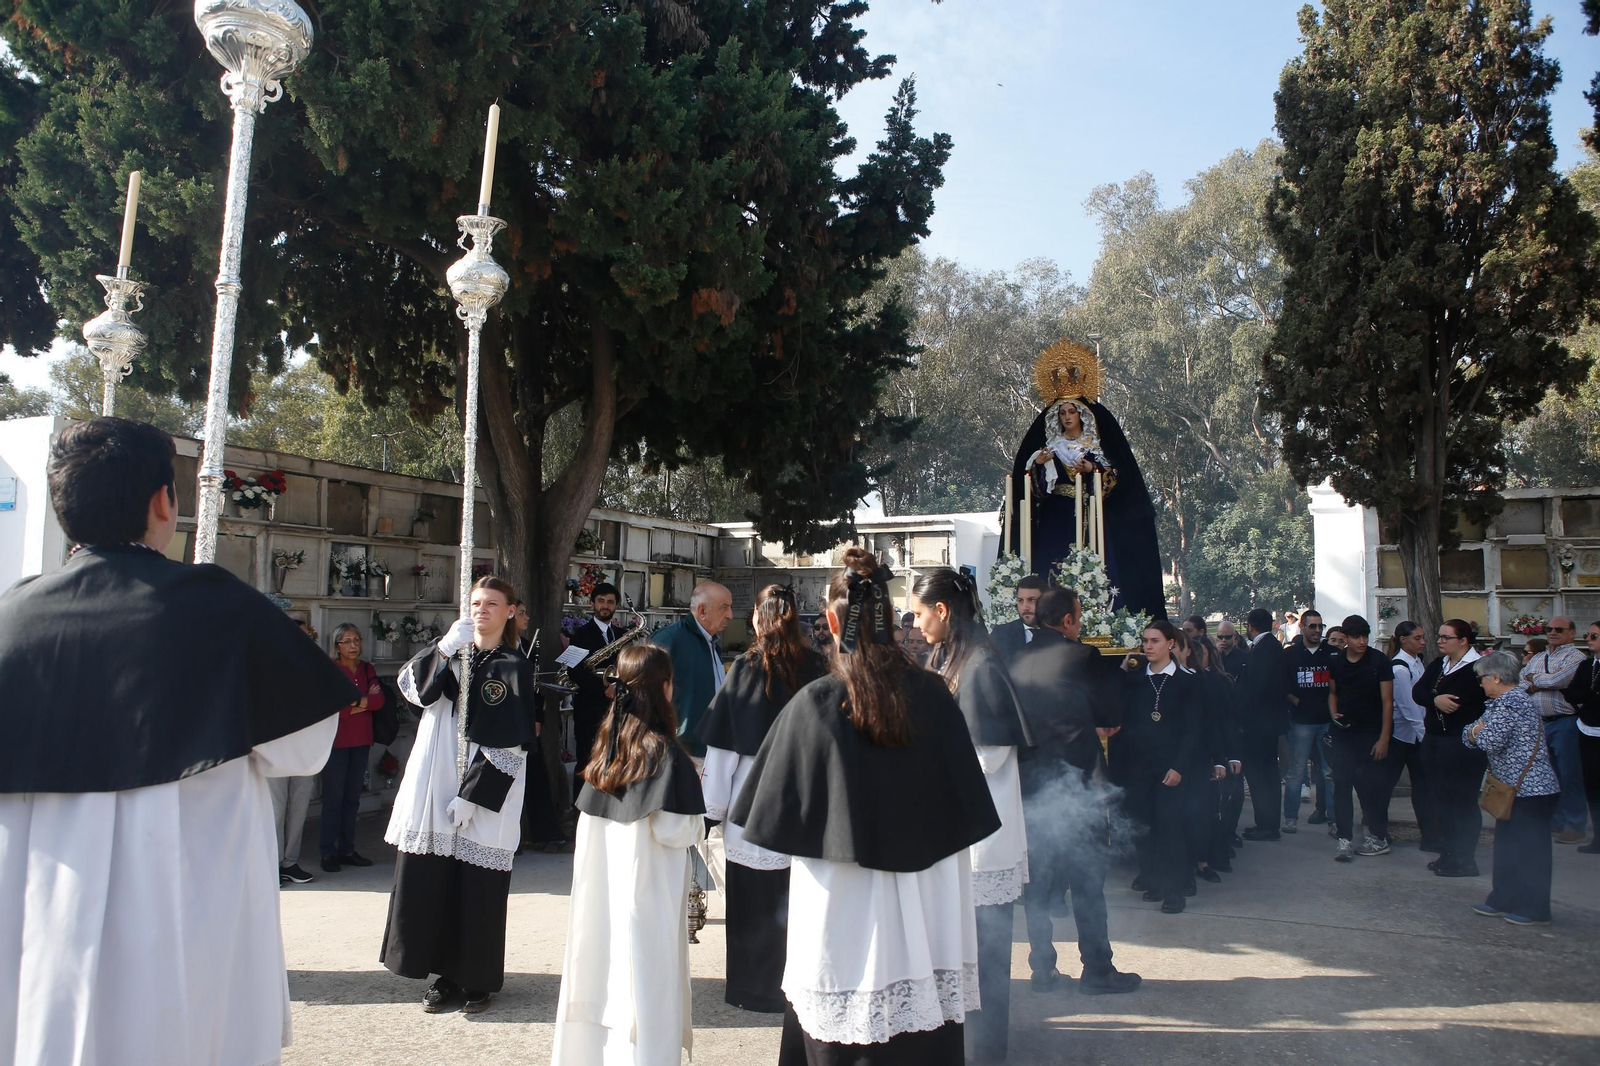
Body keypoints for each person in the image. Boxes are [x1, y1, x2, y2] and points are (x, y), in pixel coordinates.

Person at [0, 417, 358, 1066]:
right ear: (164, 501)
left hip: (41, 904)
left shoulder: (10, 617)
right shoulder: (215, 606)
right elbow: (305, 747)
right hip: (186, 901)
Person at [732, 548, 999, 1064]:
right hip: (929, 903)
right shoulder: (936, 696)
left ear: (833, 620)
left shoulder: (813, 704)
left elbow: (768, 824)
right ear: (891, 619)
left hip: (844, 902)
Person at [382, 576, 538, 1014]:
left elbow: (511, 743)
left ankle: (476, 978)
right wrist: (446, 648)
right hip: (436, 781)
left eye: (492, 603)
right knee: (435, 880)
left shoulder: (513, 665)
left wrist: (474, 795)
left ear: (510, 611)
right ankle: (440, 973)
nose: (481, 610)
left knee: (476, 887)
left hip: (483, 790)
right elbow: (413, 690)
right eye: (474, 602)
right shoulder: (449, 652)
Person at [552, 644, 706, 1064]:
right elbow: (675, 830)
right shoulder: (665, 753)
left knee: (600, 970)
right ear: (666, 689)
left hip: (603, 892)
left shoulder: (605, 748)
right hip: (646, 897)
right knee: (643, 981)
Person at [911, 568, 1034, 1063]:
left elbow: (990, 755)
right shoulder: (948, 655)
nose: (916, 624)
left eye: (920, 613)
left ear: (942, 610)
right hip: (960, 827)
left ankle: (987, 1053)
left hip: (982, 836)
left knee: (984, 955)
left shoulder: (980, 664)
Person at [700, 584, 828, 1014]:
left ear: (758, 618)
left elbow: (721, 751)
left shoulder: (746, 669)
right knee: (799, 904)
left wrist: (711, 811)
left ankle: (754, 989)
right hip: (806, 801)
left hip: (752, 806)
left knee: (752, 905)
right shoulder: (818, 666)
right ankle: (801, 986)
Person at [1009, 587, 1140, 996]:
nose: (1079, 623)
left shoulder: (1015, 660)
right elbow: (1110, 716)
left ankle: (1042, 970)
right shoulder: (1083, 656)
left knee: (1037, 885)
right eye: (1078, 617)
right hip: (1076, 788)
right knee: (1086, 882)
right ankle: (1097, 970)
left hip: (1029, 789)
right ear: (1067, 620)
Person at [1004, 349, 1166, 619]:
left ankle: (1094, 615)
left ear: (1082, 415)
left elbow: (1113, 483)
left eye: (1072, 411)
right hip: (1056, 515)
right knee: (1052, 564)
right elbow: (1035, 491)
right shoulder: (1050, 448)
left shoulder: (1094, 448)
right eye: (1062, 412)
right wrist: (1038, 466)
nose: (1067, 417)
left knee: (1093, 564)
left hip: (1089, 517)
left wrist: (1093, 469)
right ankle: (1049, 613)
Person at [1109, 621, 1206, 914]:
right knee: (1145, 827)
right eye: (1145, 641)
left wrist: (1179, 767)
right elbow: (1113, 703)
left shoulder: (1187, 681)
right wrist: (1123, 670)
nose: (1148, 646)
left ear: (1170, 644)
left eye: (1154, 641)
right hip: (1139, 767)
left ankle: (1175, 890)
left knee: (1171, 828)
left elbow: (1193, 730)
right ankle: (1154, 880)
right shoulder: (1136, 678)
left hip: (1170, 769)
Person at [1465, 651, 1562, 925]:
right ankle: (1503, 899)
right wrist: (1475, 732)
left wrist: (1476, 733)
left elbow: (1488, 740)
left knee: (1531, 851)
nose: (1480, 683)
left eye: (1481, 677)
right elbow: (1470, 733)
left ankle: (1535, 908)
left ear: (1496, 677)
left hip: (1532, 790)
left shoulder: (1513, 702)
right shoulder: (1499, 702)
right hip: (1512, 788)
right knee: (1507, 846)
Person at [1414, 619, 1487, 877]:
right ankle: (1449, 852)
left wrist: (1441, 700)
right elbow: (1418, 692)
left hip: (1462, 743)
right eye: (1440, 637)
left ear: (1463, 640)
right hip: (1435, 739)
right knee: (1441, 799)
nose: (1440, 641)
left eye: (1446, 637)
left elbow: (1466, 702)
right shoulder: (1439, 664)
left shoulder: (1478, 667)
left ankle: (1465, 859)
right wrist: (1436, 699)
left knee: (1462, 801)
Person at [1325, 615, 1395, 862]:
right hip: (1343, 734)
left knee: (1371, 788)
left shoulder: (1379, 661)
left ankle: (1377, 836)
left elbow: (1388, 702)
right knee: (1341, 786)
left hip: (1371, 734)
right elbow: (1333, 693)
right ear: (1345, 638)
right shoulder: (1336, 661)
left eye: (1365, 636)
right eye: (1356, 637)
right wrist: (1333, 713)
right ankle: (1344, 838)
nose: (1362, 641)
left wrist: (1384, 738)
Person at [1518, 616, 1588, 845]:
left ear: (1572, 633)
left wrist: (1535, 680)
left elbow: (1561, 679)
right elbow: (1521, 681)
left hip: (1564, 721)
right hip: (1541, 722)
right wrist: (1541, 680)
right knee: (1549, 775)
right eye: (1550, 629)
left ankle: (1574, 825)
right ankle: (1555, 821)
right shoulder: (1539, 656)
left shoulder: (1576, 657)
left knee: (1570, 775)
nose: (1553, 632)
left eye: (1559, 629)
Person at [319, 622, 383, 873]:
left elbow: (379, 701)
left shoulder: (367, 668)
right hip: (337, 742)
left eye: (356, 640)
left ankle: (347, 849)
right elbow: (335, 708)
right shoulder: (331, 670)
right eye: (347, 641)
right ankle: (328, 852)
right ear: (337, 645)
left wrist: (354, 704)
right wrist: (362, 703)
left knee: (352, 798)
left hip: (361, 741)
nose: (353, 645)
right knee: (333, 798)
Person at [651, 581, 732, 757]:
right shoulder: (670, 639)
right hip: (682, 748)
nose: (730, 615)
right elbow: (649, 694)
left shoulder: (712, 642)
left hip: (712, 744)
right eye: (724, 608)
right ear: (702, 611)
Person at [272, 618, 326, 886]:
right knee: (276, 808)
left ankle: (290, 861)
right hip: (276, 748)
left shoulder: (314, 667)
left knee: (300, 806)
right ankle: (271, 864)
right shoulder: (268, 667)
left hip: (305, 747)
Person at [1238, 608, 1291, 841]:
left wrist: (1243, 720)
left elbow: (1255, 689)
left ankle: (1266, 825)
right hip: (1269, 722)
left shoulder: (1262, 650)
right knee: (1267, 774)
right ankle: (1268, 823)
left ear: (1250, 626)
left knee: (1260, 775)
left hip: (1259, 724)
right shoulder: (1272, 646)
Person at [1387, 621, 1440, 853]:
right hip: (1402, 736)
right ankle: (1377, 830)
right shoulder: (1399, 668)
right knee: (1386, 784)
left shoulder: (1417, 662)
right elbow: (1408, 708)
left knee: (1424, 787)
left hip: (1418, 735)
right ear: (1403, 640)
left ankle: (1429, 835)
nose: (1422, 642)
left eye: (1423, 637)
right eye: (1417, 638)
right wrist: (1425, 735)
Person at [1282, 609, 1334, 834]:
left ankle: (1334, 819)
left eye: (1320, 626)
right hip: (1301, 721)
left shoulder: (1332, 654)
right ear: (1301, 627)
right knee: (1296, 770)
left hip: (1328, 721)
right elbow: (1282, 685)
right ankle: (1290, 817)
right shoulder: (1291, 655)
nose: (1317, 630)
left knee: (1330, 772)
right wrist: (1297, 702)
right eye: (1312, 626)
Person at [568, 582, 627, 777]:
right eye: (601, 601)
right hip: (589, 712)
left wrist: (619, 685)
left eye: (610, 602)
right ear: (592, 603)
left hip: (619, 711)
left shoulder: (624, 635)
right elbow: (573, 671)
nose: (605, 606)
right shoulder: (578, 634)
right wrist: (604, 686)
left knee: (616, 765)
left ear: (616, 606)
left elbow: (630, 668)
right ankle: (578, 808)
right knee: (587, 764)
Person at [1567, 621, 1600, 854]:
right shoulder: (1588, 665)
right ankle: (1598, 838)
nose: (1588, 639)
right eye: (1588, 635)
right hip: (1588, 729)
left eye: (1594, 636)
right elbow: (1571, 693)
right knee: (1592, 786)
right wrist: (1588, 697)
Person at [991, 574, 1048, 663]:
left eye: (1032, 600)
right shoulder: (1001, 634)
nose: (1025, 607)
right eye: (1020, 601)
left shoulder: (1057, 633)